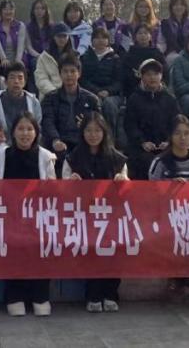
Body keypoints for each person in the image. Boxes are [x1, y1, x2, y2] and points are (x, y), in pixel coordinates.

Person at [0, 113, 56, 317]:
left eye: (29, 129)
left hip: (39, 216)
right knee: (14, 253)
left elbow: (53, 188)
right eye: (21, 129)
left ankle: (40, 296)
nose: (25, 133)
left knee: (40, 253)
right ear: (13, 132)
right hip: (10, 216)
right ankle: (14, 296)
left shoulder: (46, 156)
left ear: (36, 132)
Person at [61, 112, 127, 312]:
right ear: (82, 133)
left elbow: (127, 185)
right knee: (91, 253)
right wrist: (71, 183)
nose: (93, 135)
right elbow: (63, 187)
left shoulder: (117, 158)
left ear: (104, 132)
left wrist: (122, 181)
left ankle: (111, 293)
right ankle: (93, 295)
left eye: (97, 130)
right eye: (88, 130)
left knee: (113, 252)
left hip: (111, 215)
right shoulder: (72, 158)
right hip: (85, 216)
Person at [148, 115, 189, 303]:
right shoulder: (160, 162)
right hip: (169, 214)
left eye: (187, 133)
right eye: (178, 133)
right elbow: (151, 191)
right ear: (170, 136)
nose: (182, 138)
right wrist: (170, 188)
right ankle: (176, 280)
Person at [41, 55, 101, 174]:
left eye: (73, 71)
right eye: (65, 71)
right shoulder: (50, 98)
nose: (69, 75)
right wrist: (55, 140)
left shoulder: (91, 99)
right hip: (60, 140)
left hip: (84, 141)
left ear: (79, 73)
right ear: (60, 74)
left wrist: (86, 125)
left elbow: (99, 124)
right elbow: (48, 122)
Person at [125, 58, 179, 180]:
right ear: (142, 77)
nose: (152, 78)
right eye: (148, 74)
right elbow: (130, 125)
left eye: (156, 74)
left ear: (161, 76)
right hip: (141, 148)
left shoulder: (170, 98)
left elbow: (176, 123)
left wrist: (169, 141)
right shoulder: (134, 99)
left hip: (166, 146)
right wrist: (142, 142)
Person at [0, 61, 42, 151]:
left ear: (25, 82)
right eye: (12, 77)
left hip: (28, 144)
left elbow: (38, 128)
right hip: (2, 145)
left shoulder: (34, 102)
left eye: (20, 78)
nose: (16, 81)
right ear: (5, 81)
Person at [80, 27, 124, 138]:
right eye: (97, 38)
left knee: (109, 105)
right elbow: (83, 79)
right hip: (90, 92)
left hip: (112, 95)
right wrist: (97, 91)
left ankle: (110, 139)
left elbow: (119, 81)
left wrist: (108, 91)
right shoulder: (85, 58)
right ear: (92, 40)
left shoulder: (115, 58)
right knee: (92, 103)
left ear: (108, 40)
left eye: (103, 38)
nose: (100, 40)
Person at [119, 23, 168, 97]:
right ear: (135, 37)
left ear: (150, 36)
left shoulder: (157, 53)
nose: (143, 35)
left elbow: (165, 72)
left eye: (146, 33)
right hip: (134, 91)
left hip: (157, 90)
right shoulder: (129, 55)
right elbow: (125, 76)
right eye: (140, 33)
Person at [34, 22, 75, 98]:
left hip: (70, 95)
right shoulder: (44, 57)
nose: (62, 39)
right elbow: (41, 79)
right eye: (59, 36)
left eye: (64, 36)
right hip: (49, 96)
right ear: (53, 37)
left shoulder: (75, 56)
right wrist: (54, 93)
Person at [159, 0, 189, 65]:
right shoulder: (165, 23)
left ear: (185, 7)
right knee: (179, 59)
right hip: (172, 53)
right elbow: (171, 41)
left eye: (181, 5)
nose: (179, 7)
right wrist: (183, 53)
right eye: (176, 5)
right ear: (171, 7)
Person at [0, 0, 29, 64]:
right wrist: (4, 59)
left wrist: (18, 60)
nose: (8, 12)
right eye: (5, 9)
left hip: (19, 60)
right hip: (1, 60)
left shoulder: (20, 26)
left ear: (14, 11)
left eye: (11, 9)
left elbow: (21, 45)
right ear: (1, 11)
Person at [24, 0, 54, 73]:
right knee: (36, 63)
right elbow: (29, 47)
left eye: (42, 8)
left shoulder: (52, 27)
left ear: (46, 10)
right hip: (34, 56)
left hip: (49, 55)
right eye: (37, 8)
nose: (39, 11)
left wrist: (47, 56)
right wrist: (39, 56)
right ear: (33, 11)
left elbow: (53, 44)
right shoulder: (27, 27)